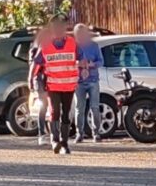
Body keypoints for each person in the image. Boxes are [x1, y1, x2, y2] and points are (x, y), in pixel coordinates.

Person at [33, 16, 81, 154]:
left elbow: (81, 58)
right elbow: (37, 62)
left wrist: (84, 67)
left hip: (69, 86)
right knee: (55, 113)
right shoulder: (46, 45)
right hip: (53, 85)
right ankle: (55, 141)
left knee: (66, 114)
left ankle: (64, 143)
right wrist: (32, 79)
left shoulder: (72, 43)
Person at [73, 23, 104, 143]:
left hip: (93, 80)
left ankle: (96, 133)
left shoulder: (94, 46)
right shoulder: (74, 46)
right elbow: (70, 60)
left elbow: (101, 61)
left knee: (94, 107)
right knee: (79, 109)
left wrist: (92, 64)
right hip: (79, 81)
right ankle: (79, 134)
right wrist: (77, 63)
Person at [29, 27, 52, 146]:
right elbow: (35, 64)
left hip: (50, 78)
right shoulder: (42, 48)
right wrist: (30, 80)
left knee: (50, 106)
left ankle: (49, 132)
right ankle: (42, 133)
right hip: (41, 78)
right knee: (44, 106)